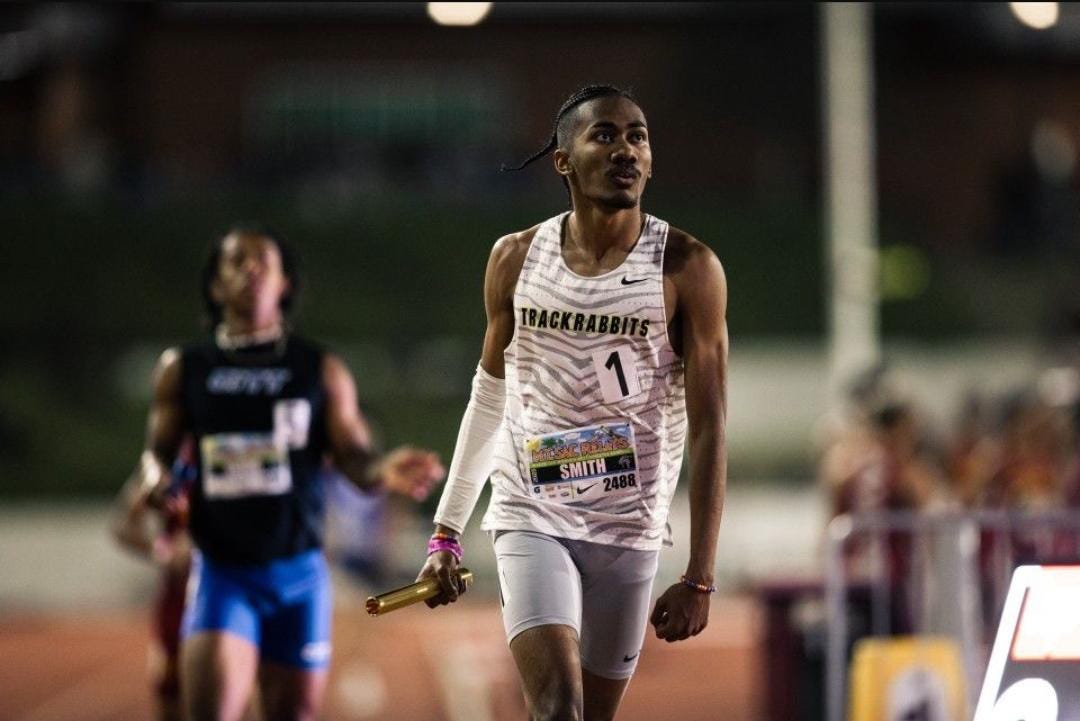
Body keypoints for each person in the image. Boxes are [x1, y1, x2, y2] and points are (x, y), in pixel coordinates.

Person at [417, 85, 729, 721]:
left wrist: (700, 574)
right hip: (531, 511)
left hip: (629, 528)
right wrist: (446, 532)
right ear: (564, 160)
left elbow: (710, 427)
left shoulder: (687, 267)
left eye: (638, 137)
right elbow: (489, 396)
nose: (626, 150)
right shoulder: (515, 258)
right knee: (559, 707)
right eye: (605, 135)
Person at [125, 224, 444, 721]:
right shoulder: (183, 368)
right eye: (237, 261)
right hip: (223, 573)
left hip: (299, 576)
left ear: (285, 283)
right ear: (216, 285)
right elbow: (157, 455)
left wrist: (384, 470)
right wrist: (154, 480)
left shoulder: (319, 369)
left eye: (265, 262)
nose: (251, 269)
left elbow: (356, 460)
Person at [111, 437, 197, 721]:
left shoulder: (235, 448)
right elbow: (123, 525)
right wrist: (162, 551)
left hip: (230, 587)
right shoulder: (165, 464)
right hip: (178, 597)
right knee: (169, 691)